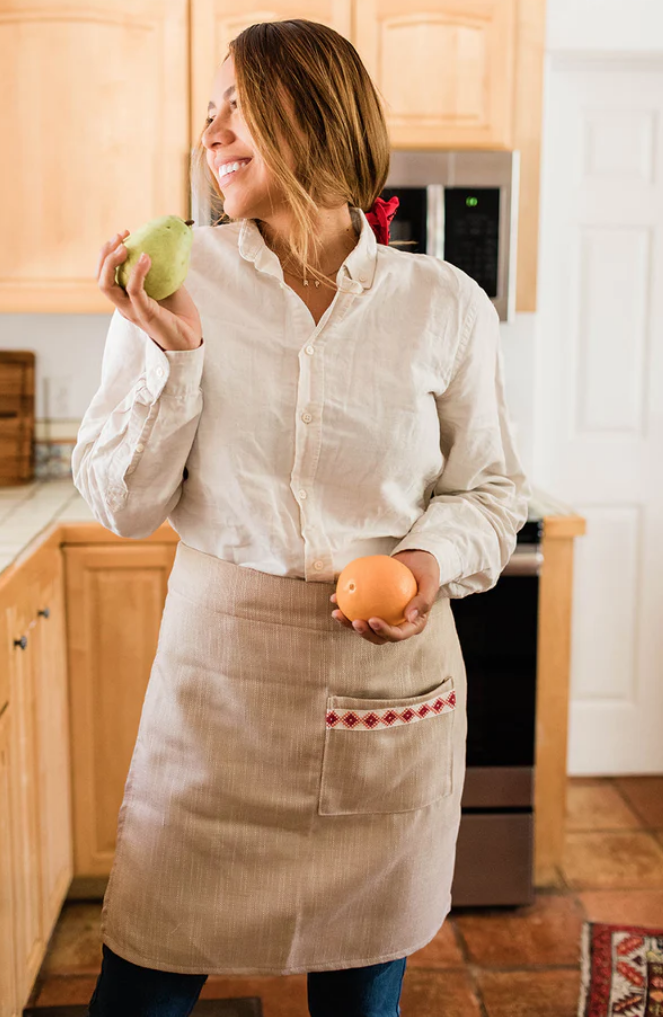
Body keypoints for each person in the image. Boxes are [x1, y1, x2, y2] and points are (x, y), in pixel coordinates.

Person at [74, 18, 531, 1017]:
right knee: (141, 983)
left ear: (314, 110)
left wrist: (417, 566)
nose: (212, 129)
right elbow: (122, 504)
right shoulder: (177, 277)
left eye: (235, 101)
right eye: (207, 110)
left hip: (383, 686)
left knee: (361, 991)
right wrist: (177, 356)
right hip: (219, 699)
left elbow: (493, 494)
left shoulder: (444, 305)